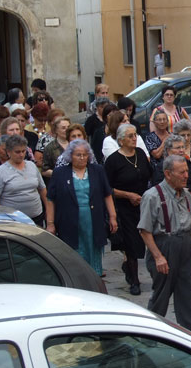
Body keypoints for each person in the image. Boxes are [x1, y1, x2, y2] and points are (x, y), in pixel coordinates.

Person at [139, 154, 191, 334]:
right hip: (164, 246)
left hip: (185, 247)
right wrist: (158, 257)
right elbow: (145, 230)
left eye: (186, 172)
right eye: (181, 172)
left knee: (188, 297)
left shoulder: (188, 197)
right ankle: (149, 335)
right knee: (161, 296)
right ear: (167, 174)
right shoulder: (152, 196)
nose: (185, 176)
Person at [46, 140, 117, 276]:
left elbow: (107, 194)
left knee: (93, 247)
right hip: (69, 219)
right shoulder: (60, 173)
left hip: (93, 219)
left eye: (85, 155)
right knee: (74, 250)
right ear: (70, 156)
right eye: (78, 155)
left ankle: (95, 276)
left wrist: (112, 217)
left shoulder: (97, 171)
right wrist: (50, 223)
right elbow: (50, 199)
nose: (82, 158)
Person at [104, 124, 153, 295]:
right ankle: (134, 281)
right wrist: (128, 195)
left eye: (135, 135)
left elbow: (150, 175)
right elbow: (107, 188)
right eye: (130, 136)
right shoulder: (113, 161)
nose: (134, 138)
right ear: (121, 140)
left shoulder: (139, 154)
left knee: (146, 240)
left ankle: (135, 270)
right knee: (131, 244)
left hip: (143, 204)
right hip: (124, 207)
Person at [0, 135, 47, 225]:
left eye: (23, 151)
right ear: (9, 152)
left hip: (36, 217)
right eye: (17, 152)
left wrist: (48, 210)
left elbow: (42, 189)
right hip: (13, 220)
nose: (21, 155)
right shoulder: (1, 171)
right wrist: (2, 219)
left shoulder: (32, 166)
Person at [41, 116, 71, 182]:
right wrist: (60, 174)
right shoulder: (50, 148)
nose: (67, 130)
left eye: (68, 127)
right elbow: (44, 171)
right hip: (59, 182)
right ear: (56, 130)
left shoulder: (76, 144)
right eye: (63, 128)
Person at [145, 109, 171, 176]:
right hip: (157, 171)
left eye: (164, 119)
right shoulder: (150, 137)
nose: (162, 122)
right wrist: (166, 140)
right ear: (154, 122)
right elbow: (157, 155)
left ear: (167, 121)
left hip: (171, 169)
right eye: (159, 120)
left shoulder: (173, 136)